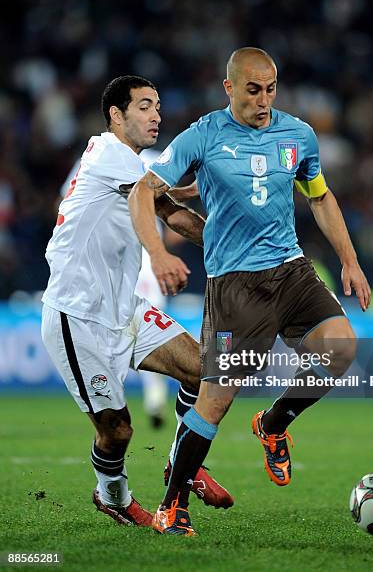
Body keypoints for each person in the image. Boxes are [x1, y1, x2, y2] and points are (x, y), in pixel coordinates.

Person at [128, 48, 371, 535]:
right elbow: (145, 191)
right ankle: (172, 504)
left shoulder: (298, 135)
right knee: (215, 402)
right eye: (253, 90)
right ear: (230, 88)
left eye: (271, 89)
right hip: (234, 288)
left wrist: (350, 260)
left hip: (291, 271)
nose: (264, 100)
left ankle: (274, 424)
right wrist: (160, 250)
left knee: (340, 346)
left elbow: (319, 195)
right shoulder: (203, 135)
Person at [41, 75, 233, 528]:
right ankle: (113, 495)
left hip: (121, 309)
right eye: (144, 106)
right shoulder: (110, 152)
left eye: (158, 106)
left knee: (205, 368)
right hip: (77, 316)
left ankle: (180, 465)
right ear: (116, 114)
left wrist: (231, 241)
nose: (156, 115)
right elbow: (167, 211)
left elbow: (169, 202)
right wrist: (167, 251)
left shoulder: (131, 163)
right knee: (118, 430)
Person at [59, 153, 170, 430]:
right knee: (113, 327)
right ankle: (119, 400)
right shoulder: (99, 154)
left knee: (150, 326)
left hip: (144, 257)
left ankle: (152, 400)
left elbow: (172, 207)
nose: (151, 118)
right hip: (112, 258)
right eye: (143, 107)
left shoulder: (159, 159)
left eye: (153, 108)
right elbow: (67, 201)